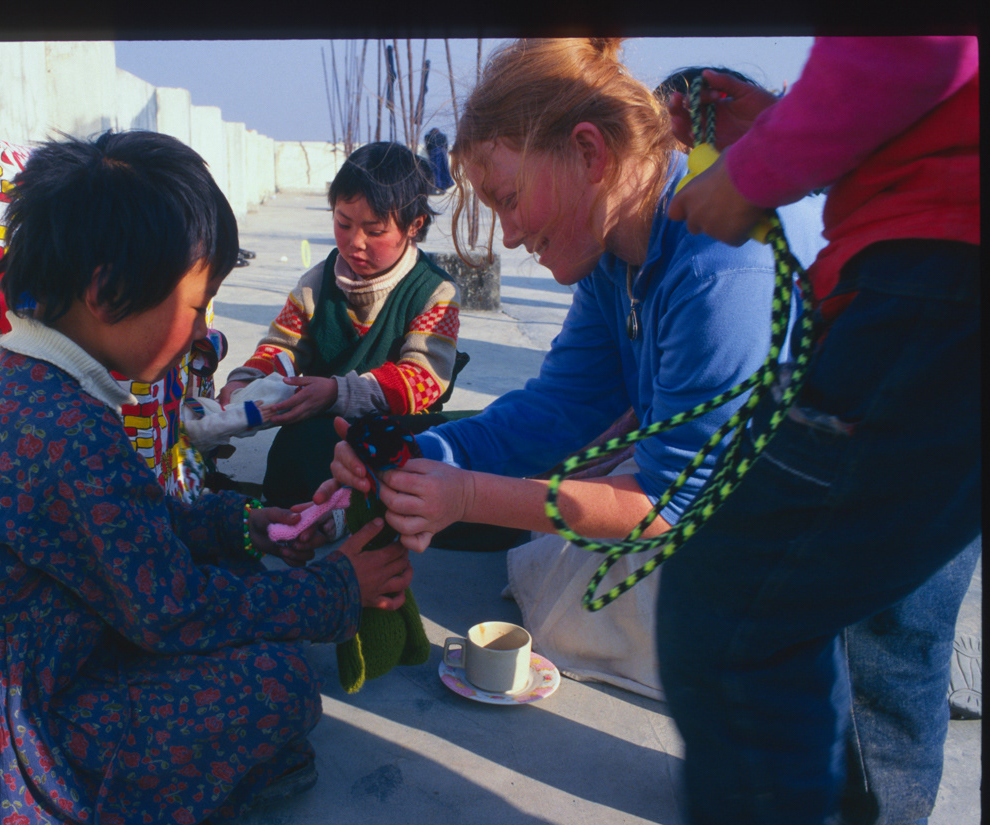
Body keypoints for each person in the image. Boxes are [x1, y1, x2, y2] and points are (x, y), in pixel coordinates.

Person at [0, 130, 414, 825]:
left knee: (252, 628)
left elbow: (129, 525)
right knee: (280, 683)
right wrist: (336, 590)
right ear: (108, 291)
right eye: (195, 302)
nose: (202, 328)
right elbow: (172, 609)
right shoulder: (63, 428)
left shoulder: (25, 379)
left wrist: (243, 525)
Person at [316, 39, 825, 699]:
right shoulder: (618, 251)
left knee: (675, 632)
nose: (508, 235)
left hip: (820, 508)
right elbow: (558, 411)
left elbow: (667, 502)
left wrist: (464, 495)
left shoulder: (724, 267)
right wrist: (416, 451)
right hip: (716, 482)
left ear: (589, 153)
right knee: (561, 522)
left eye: (508, 199)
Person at [658, 38, 979, 825]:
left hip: (934, 281)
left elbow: (923, 45)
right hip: (943, 289)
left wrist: (749, 171)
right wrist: (781, 128)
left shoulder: (713, 272)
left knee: (731, 612)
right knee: (893, 607)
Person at [218, 141, 462, 509]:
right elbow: (282, 348)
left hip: (397, 428)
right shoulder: (316, 284)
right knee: (298, 446)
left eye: (374, 230)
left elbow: (424, 378)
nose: (355, 242)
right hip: (321, 424)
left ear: (415, 225)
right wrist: (245, 382)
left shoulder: (435, 292)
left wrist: (337, 392)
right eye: (343, 224)